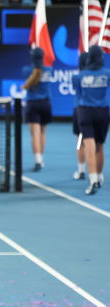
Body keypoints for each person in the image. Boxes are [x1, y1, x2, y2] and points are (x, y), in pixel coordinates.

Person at [71, 45, 110, 195]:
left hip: (85, 111)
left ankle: (93, 179)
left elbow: (78, 93)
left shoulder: (78, 77)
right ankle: (99, 178)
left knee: (89, 144)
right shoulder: (107, 74)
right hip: (103, 112)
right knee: (100, 146)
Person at [22, 47, 52, 171]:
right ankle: (41, 159)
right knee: (42, 132)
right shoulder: (49, 70)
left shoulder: (27, 70)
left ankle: (38, 160)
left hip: (33, 104)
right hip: (46, 104)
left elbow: (26, 86)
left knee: (35, 133)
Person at [73, 52, 88, 181]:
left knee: (81, 142)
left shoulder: (77, 77)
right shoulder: (103, 74)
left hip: (81, 111)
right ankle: (97, 176)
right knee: (97, 144)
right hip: (99, 111)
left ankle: (81, 170)